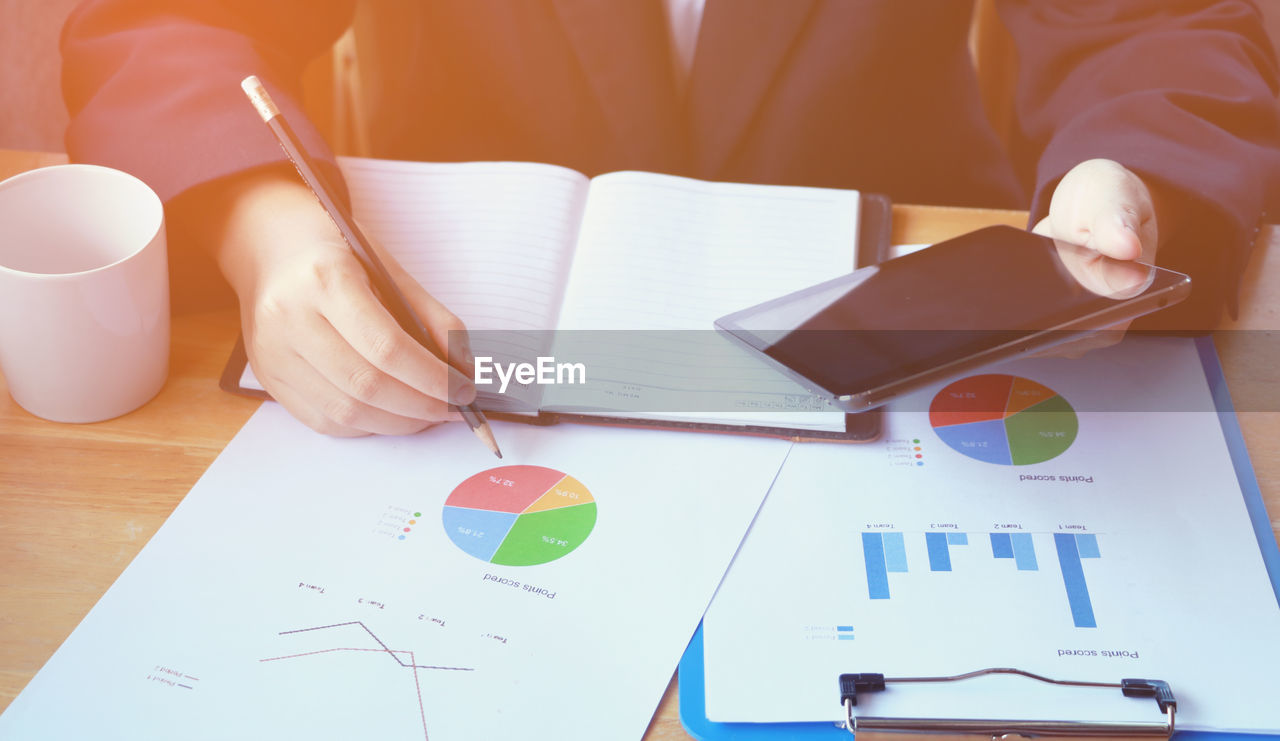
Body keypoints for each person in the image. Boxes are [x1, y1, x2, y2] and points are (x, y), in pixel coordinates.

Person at [60, 0, 1280, 436]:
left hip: (885, 342)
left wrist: (1130, 175)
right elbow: (171, 23)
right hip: (464, 339)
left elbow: (1150, 23)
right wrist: (257, 218)